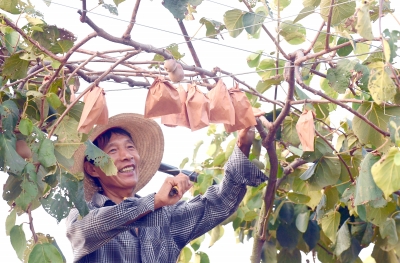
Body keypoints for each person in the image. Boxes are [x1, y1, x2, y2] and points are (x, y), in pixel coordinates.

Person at [66, 113, 268, 263]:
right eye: (112, 150)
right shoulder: (82, 214)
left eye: (130, 147)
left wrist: (242, 144)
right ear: (92, 168)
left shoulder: (166, 218)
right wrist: (154, 202)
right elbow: (93, 227)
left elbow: (220, 202)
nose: (126, 155)